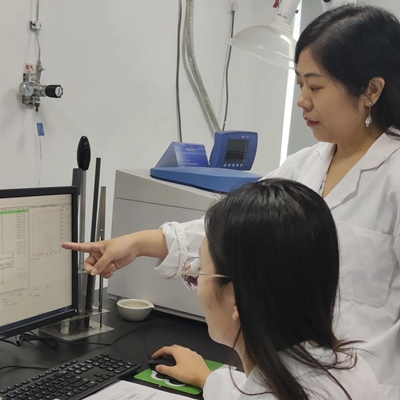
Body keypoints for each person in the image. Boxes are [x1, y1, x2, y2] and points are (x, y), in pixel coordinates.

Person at [62, 4, 400, 399]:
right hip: (288, 376)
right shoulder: (307, 164)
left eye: (316, 87)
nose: (302, 101)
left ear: (371, 90)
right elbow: (236, 230)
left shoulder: (393, 177)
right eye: (299, 85)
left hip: (367, 384)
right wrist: (137, 243)